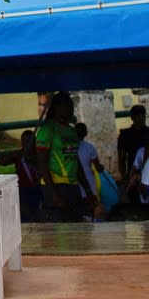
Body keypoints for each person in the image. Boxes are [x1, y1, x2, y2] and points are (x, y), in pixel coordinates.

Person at [35, 91, 96, 222]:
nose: (70, 109)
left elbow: (76, 161)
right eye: (66, 106)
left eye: (71, 106)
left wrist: (88, 190)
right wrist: (54, 194)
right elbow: (42, 162)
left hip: (72, 186)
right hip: (55, 185)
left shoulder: (71, 131)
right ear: (56, 107)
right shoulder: (47, 129)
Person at [0, 129, 42, 222]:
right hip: (23, 190)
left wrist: (31, 160)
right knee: (25, 213)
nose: (27, 144)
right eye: (25, 141)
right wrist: (17, 154)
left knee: (38, 212)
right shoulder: (19, 155)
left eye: (30, 141)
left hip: (38, 188)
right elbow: (1, 162)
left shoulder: (39, 155)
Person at [117, 104, 149, 202]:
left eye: (142, 115)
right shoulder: (125, 135)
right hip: (132, 174)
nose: (141, 118)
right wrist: (125, 178)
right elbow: (121, 159)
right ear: (132, 118)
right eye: (138, 116)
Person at [74, 122, 106, 220]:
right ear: (86, 133)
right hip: (89, 183)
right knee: (93, 211)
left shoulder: (69, 147)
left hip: (76, 184)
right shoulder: (89, 147)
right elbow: (97, 167)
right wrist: (101, 167)